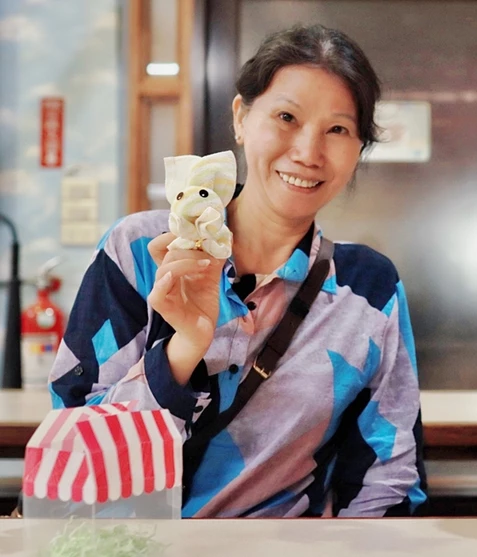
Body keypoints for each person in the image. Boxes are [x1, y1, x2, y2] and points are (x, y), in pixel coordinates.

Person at [47, 24, 427, 518]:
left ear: (358, 149)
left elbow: (389, 475)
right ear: (241, 118)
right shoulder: (142, 251)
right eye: (286, 117)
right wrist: (184, 349)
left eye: (337, 129)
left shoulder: (368, 289)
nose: (308, 153)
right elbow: (75, 451)